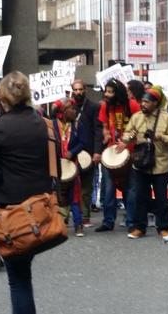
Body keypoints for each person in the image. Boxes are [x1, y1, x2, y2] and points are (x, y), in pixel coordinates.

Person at [0, 71, 53, 313]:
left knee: (18, 279)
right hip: (41, 207)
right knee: (24, 273)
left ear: (3, 97)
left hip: (11, 211)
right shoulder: (44, 124)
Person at [118, 85, 168, 241]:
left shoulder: (167, 118)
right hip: (140, 163)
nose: (143, 104)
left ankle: (163, 228)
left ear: (155, 103)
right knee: (140, 197)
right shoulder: (136, 117)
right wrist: (128, 139)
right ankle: (140, 227)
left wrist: (160, 137)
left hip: (160, 164)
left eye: (147, 102)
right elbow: (127, 134)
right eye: (142, 101)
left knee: (161, 199)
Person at [95, 78, 141, 232]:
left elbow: (139, 127)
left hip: (130, 153)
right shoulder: (105, 106)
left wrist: (126, 142)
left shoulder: (132, 105)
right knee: (108, 189)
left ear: (118, 93)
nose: (107, 95)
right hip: (111, 153)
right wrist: (106, 132)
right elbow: (104, 125)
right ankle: (108, 221)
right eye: (106, 91)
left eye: (110, 92)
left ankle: (131, 222)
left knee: (130, 189)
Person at [71, 79, 103, 227]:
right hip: (71, 151)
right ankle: (67, 216)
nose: (78, 92)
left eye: (80, 89)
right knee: (67, 184)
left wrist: (97, 151)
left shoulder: (93, 107)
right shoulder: (68, 106)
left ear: (85, 90)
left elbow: (98, 130)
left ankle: (85, 216)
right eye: (75, 90)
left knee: (86, 186)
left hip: (88, 151)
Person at [51, 98, 84, 236]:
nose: (74, 111)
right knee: (56, 196)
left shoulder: (76, 125)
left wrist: (73, 151)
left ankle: (78, 225)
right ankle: (58, 225)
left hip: (72, 166)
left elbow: (82, 142)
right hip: (56, 166)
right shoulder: (52, 125)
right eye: (71, 109)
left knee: (75, 196)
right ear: (63, 111)